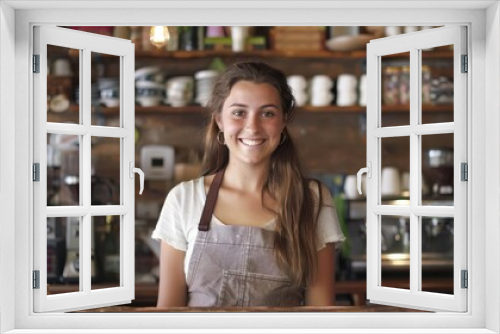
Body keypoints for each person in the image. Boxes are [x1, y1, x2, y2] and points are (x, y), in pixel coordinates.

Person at [152, 62, 345, 307]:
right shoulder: (183, 199)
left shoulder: (313, 199)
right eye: (239, 112)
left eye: (267, 113)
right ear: (219, 120)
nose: (252, 127)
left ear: (283, 122)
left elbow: (320, 314)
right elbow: (169, 315)